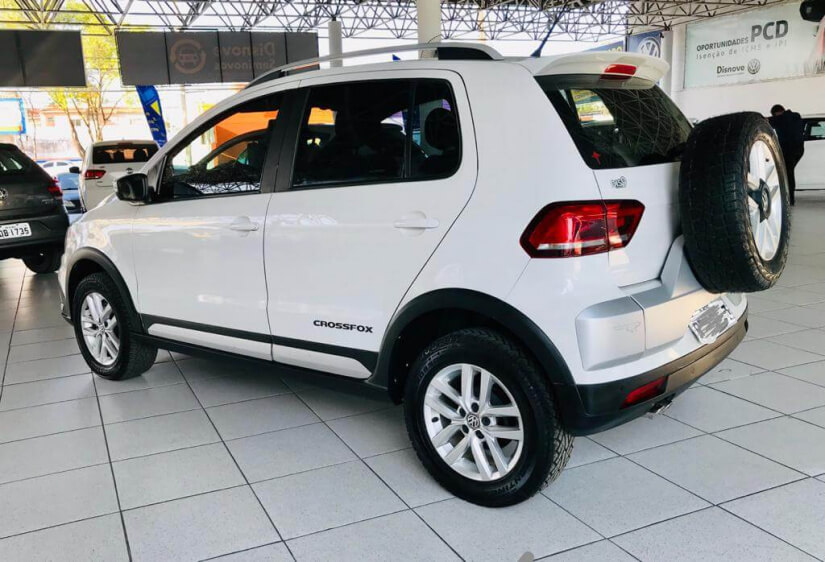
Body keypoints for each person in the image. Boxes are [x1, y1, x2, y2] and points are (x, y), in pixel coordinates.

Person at [769, 104, 805, 205]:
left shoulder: (784, 118)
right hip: (799, 149)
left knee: (788, 173)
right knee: (789, 172)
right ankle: (790, 198)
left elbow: (772, 121)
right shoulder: (796, 116)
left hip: (789, 150)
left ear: (777, 113)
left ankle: (790, 199)